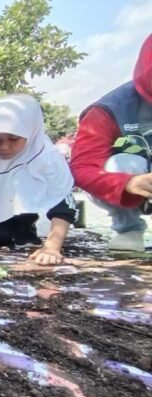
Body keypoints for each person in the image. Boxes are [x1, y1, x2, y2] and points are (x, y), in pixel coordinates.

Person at [0, 94, 78, 265]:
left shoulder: (48, 158)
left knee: (23, 235)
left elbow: (62, 201)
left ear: (30, 132)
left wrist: (52, 247)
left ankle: (25, 230)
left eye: (14, 139)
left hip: (27, 221)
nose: (4, 147)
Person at [70, 34, 152, 252]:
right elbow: (82, 169)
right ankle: (129, 229)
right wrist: (126, 184)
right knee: (123, 162)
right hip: (135, 184)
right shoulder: (107, 111)